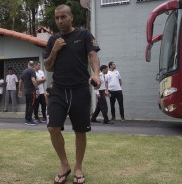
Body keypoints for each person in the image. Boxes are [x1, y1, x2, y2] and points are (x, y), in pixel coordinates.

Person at [44, 4, 101, 184]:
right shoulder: (53, 39)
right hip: (59, 90)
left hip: (80, 89)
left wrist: (96, 74)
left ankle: (78, 167)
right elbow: (48, 66)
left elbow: (93, 55)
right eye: (57, 18)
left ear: (71, 18)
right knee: (53, 128)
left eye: (63, 17)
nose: (60, 20)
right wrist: (54, 50)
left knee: (80, 131)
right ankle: (64, 165)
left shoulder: (84, 35)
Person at [18, 61, 38, 125]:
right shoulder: (32, 71)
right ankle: (29, 120)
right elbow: (33, 80)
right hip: (31, 91)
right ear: (34, 65)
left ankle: (27, 119)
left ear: (28, 64)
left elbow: (20, 81)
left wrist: (20, 90)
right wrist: (37, 88)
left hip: (26, 91)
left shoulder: (24, 71)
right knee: (31, 105)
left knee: (28, 105)